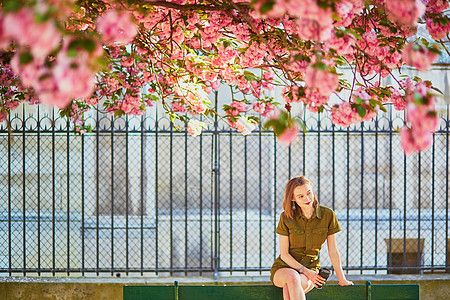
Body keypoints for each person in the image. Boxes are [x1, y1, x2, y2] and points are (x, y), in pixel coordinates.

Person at [270, 176, 353, 300]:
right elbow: (284, 254)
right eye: (300, 196)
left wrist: (342, 279)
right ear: (293, 198)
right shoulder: (286, 217)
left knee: (291, 287)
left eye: (309, 193)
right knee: (292, 277)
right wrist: (307, 272)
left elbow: (333, 251)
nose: (307, 198)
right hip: (284, 269)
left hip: (310, 269)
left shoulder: (328, 215)